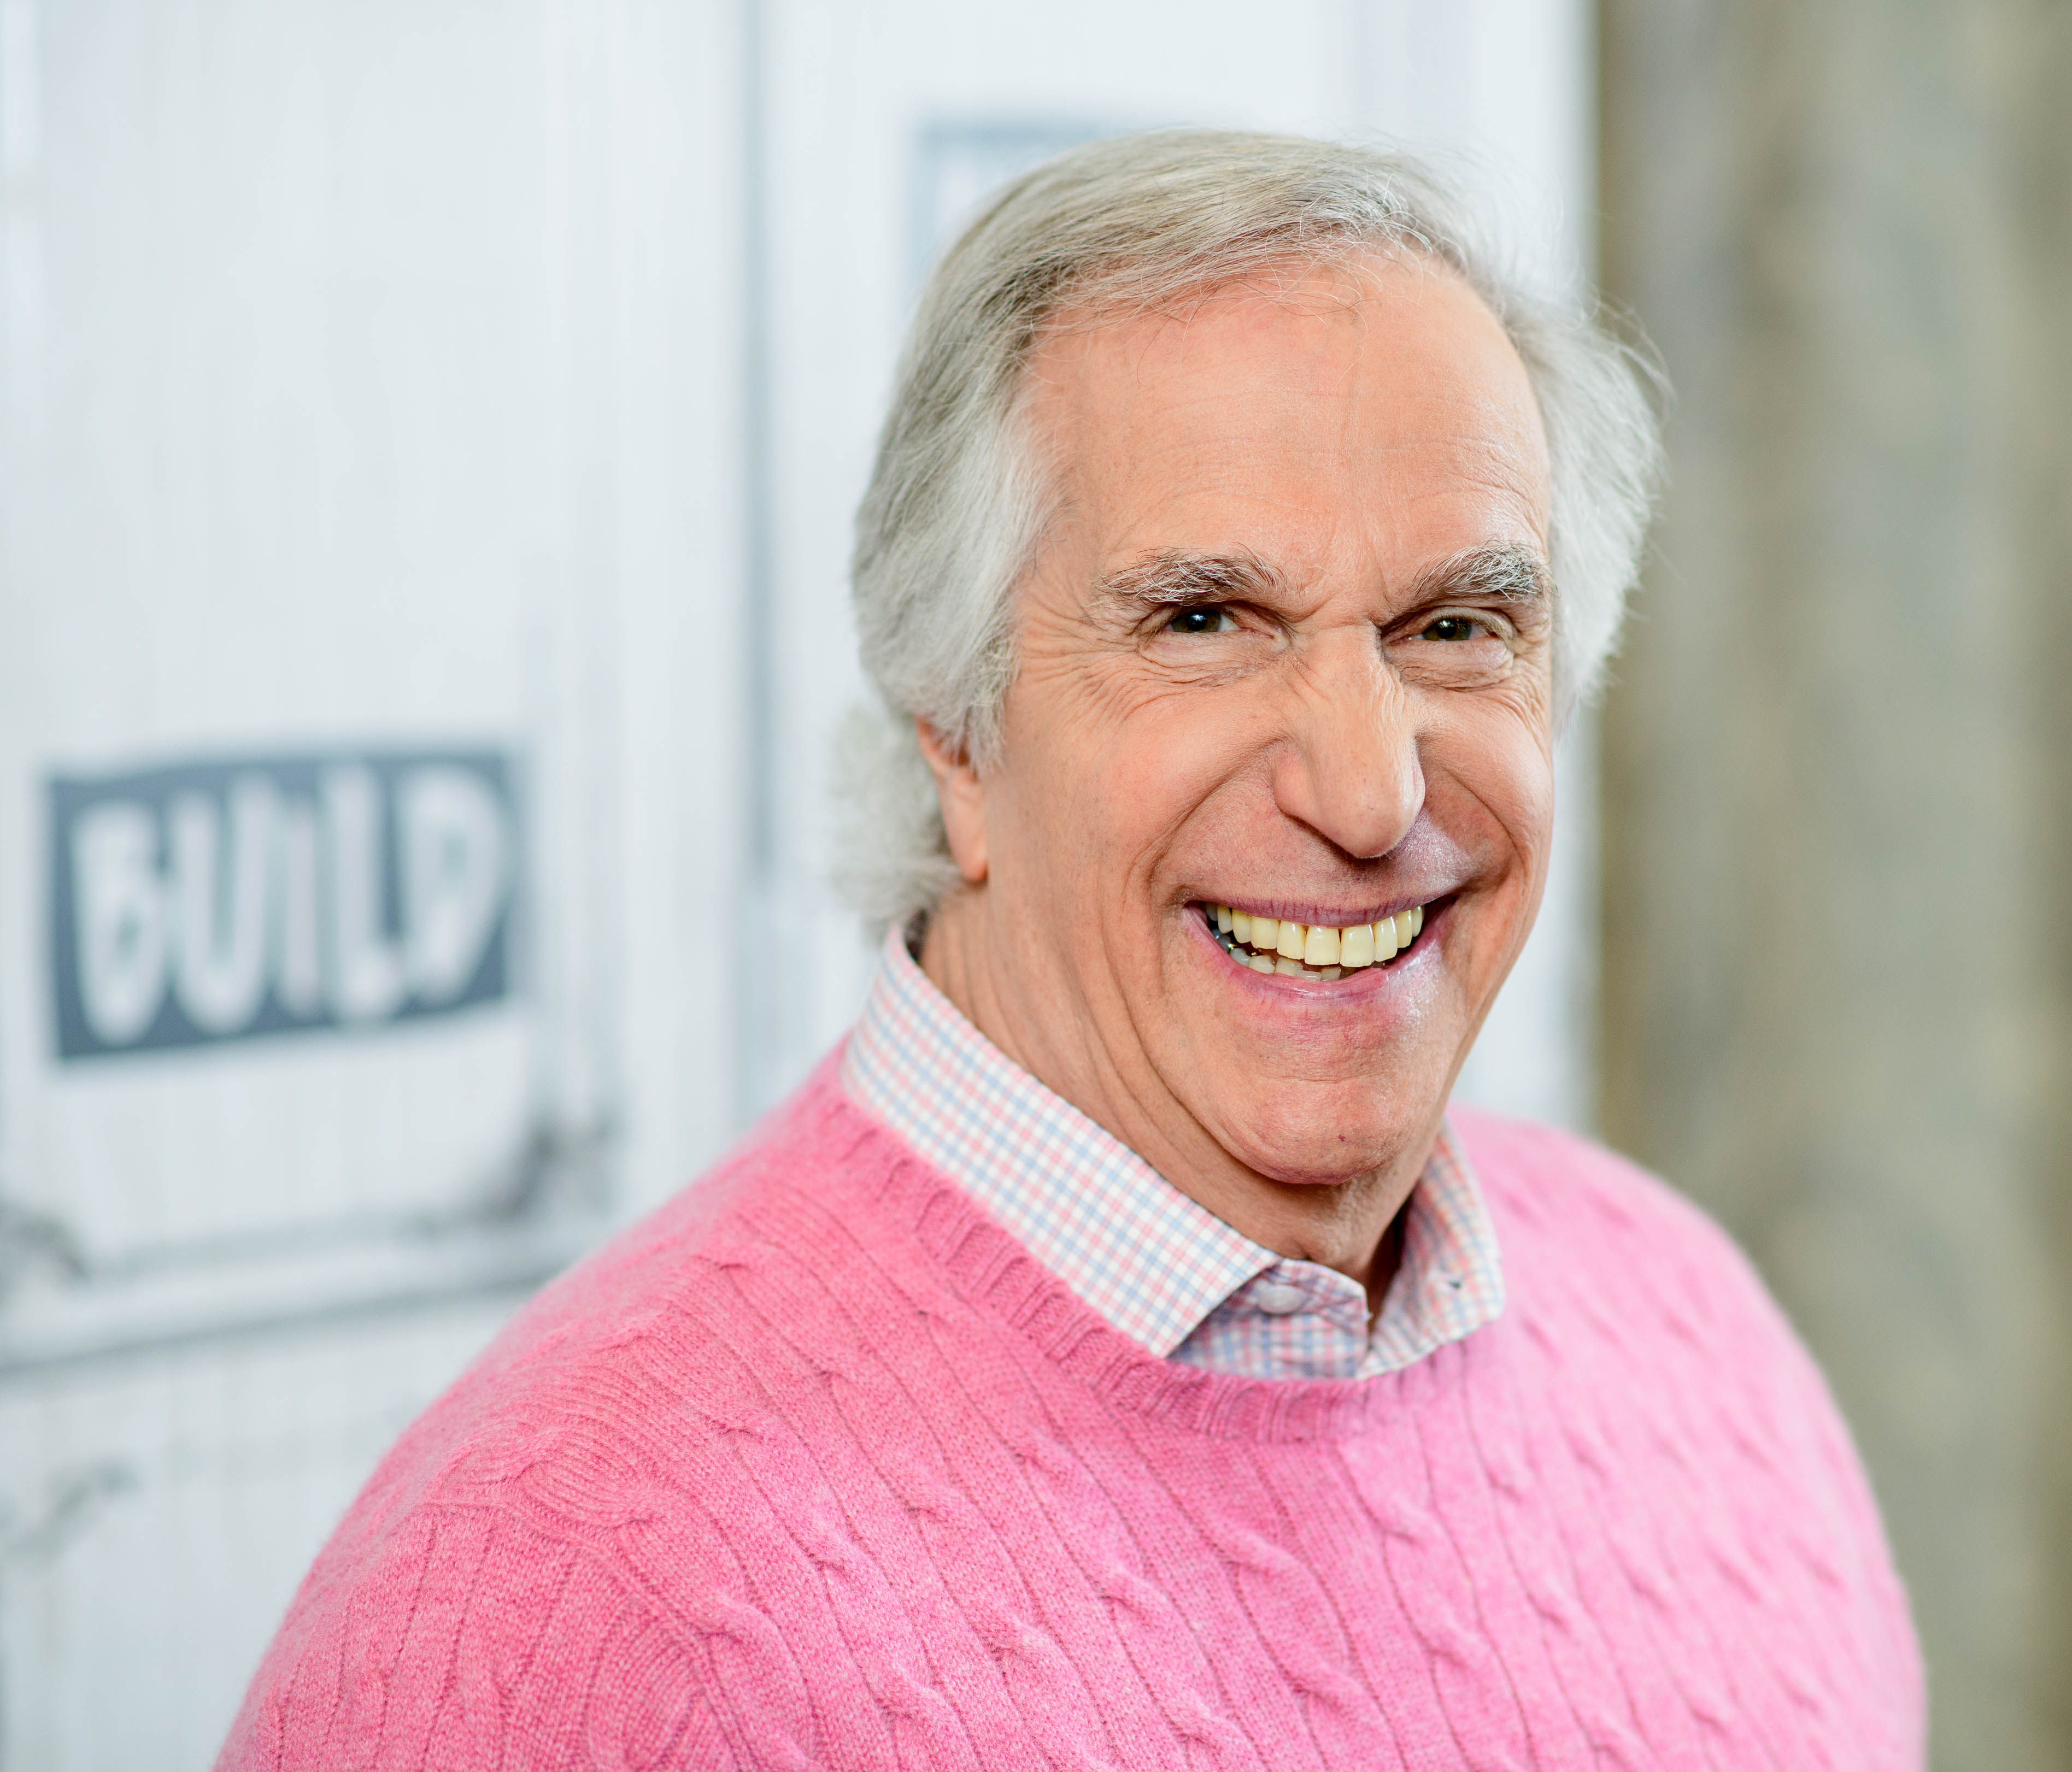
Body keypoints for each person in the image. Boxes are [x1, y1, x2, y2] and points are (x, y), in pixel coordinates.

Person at [219, 130, 1924, 1770]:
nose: (1368, 786)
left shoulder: (1689, 1321)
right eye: (1202, 624)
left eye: (1456, 628)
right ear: (954, 728)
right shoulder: (561, 1598)